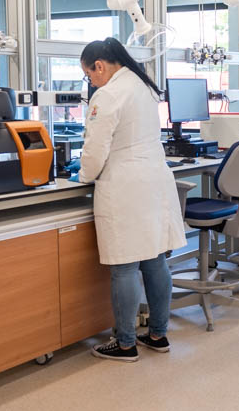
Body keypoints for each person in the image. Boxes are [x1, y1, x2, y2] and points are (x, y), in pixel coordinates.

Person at [75, 37, 186, 362]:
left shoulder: (108, 94)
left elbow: (95, 150)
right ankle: (158, 335)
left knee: (124, 265)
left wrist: (82, 176)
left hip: (126, 185)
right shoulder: (143, 86)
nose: (90, 82)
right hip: (154, 179)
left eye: (89, 75)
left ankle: (125, 343)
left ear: (99, 65)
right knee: (154, 259)